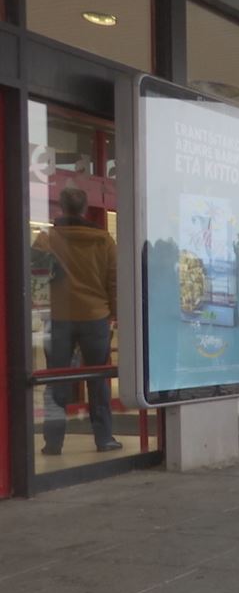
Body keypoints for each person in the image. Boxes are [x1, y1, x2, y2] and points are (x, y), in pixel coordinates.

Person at [33, 187, 122, 455]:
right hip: (95, 317)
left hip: (59, 316)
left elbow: (33, 273)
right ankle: (104, 438)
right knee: (98, 379)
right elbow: (114, 281)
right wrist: (114, 314)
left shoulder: (47, 238)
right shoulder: (104, 241)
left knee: (55, 380)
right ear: (85, 209)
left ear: (61, 208)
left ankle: (53, 442)